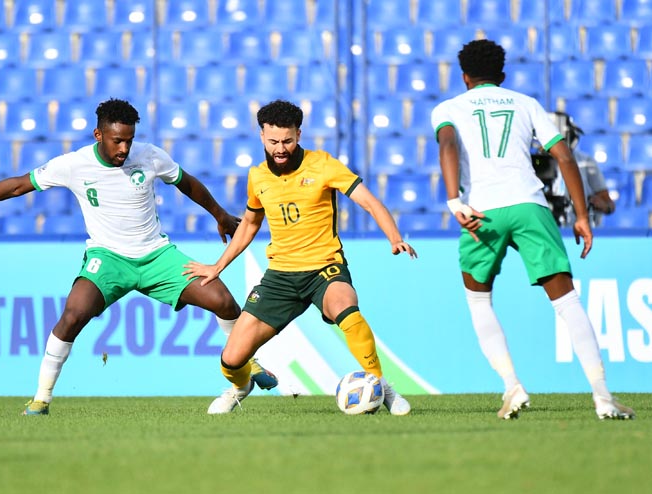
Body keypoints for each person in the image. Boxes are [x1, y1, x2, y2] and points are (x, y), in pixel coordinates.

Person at [0, 98, 277, 415]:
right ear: (99, 134)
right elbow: (20, 184)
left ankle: (249, 367)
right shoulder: (74, 164)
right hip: (108, 258)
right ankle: (41, 398)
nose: (124, 148)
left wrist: (218, 213)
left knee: (222, 300)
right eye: (117, 141)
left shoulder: (150, 155)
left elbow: (186, 182)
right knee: (73, 315)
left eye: (129, 140)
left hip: (156, 255)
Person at [431, 39, 634, 420]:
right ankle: (603, 397)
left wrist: (454, 201)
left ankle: (512, 386)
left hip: (482, 211)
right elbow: (563, 155)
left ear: (464, 77)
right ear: (502, 76)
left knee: (478, 300)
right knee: (567, 301)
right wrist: (582, 215)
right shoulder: (526, 103)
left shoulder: (448, 108)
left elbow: (447, 144)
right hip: (529, 205)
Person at [183, 99, 418, 415]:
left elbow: (370, 202)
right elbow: (250, 223)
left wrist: (395, 238)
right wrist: (218, 265)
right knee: (232, 358)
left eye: (288, 141)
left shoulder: (323, 165)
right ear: (262, 137)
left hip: (325, 269)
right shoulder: (258, 177)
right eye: (273, 141)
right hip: (280, 277)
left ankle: (380, 386)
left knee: (348, 313)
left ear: (299, 135)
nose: (280, 148)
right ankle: (241, 385)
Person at [544, 111, 615, 227]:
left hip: (577, 228)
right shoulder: (533, 161)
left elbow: (609, 204)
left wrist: (601, 205)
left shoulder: (585, 161)